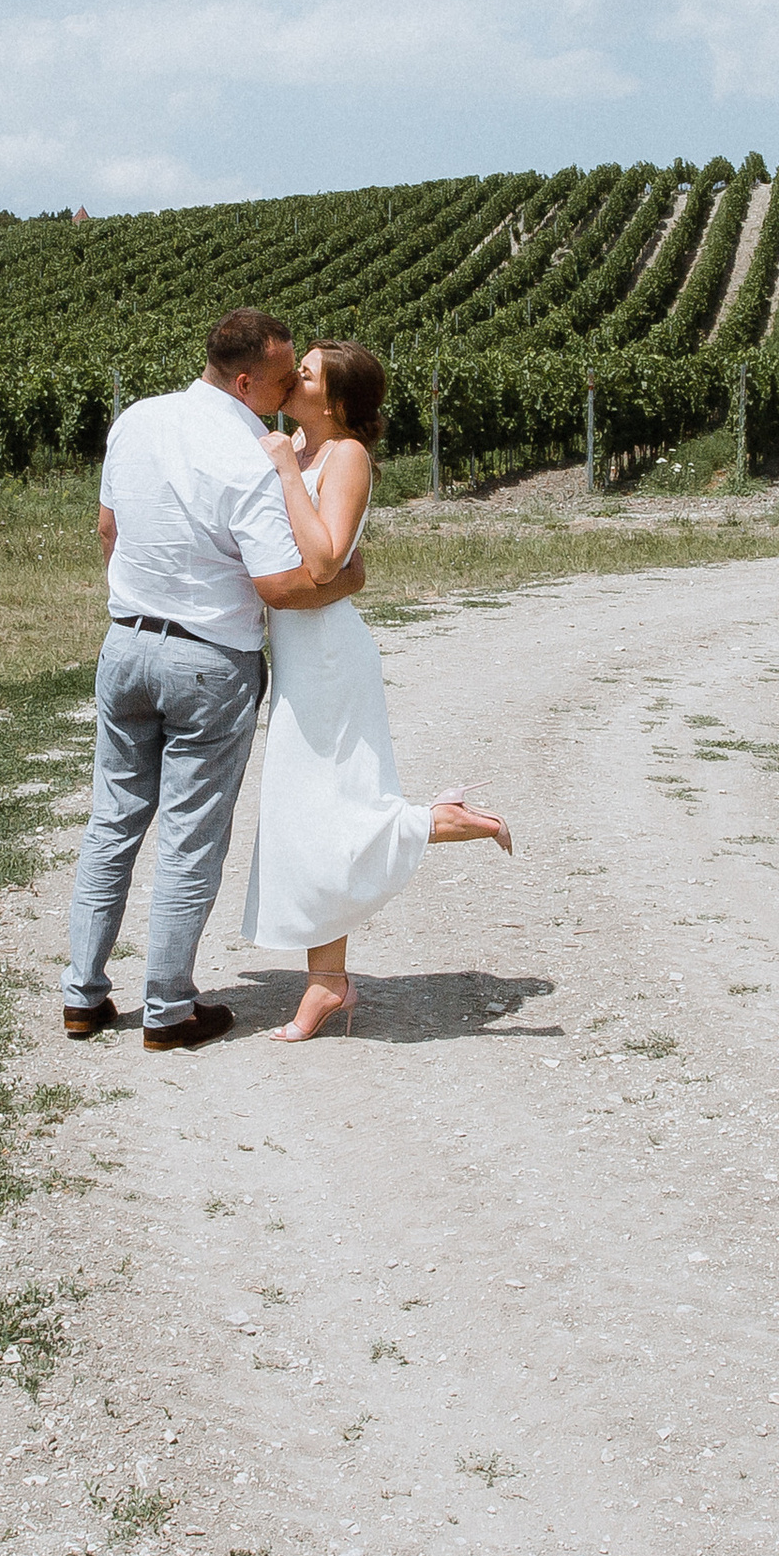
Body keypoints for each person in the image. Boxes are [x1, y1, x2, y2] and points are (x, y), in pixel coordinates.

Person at [63, 308, 362, 1051]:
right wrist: (345, 579)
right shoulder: (248, 454)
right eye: (284, 374)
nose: (293, 383)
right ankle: (167, 1009)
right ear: (245, 380)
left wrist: (144, 601)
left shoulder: (135, 418)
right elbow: (279, 585)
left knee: (112, 822)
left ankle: (83, 996)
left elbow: (108, 529)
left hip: (125, 644)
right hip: (208, 662)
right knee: (191, 838)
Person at [241, 340, 512, 1043]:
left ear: (333, 401)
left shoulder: (344, 455)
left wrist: (281, 470)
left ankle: (434, 822)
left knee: (327, 805)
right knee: (303, 812)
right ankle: (327, 981)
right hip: (299, 651)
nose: (291, 375)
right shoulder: (298, 445)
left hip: (328, 654)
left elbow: (328, 557)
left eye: (306, 372)